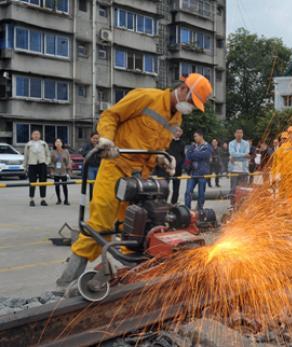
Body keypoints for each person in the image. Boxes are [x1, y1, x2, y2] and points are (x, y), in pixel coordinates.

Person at [56, 73, 212, 290]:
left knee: (136, 227)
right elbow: (111, 116)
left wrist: (161, 159)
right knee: (101, 222)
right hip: (116, 165)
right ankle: (66, 281)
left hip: (140, 177)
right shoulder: (146, 97)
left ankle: (129, 280)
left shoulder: (176, 118)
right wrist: (107, 140)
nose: (191, 108)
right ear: (184, 89)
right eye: (192, 103)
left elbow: (156, 144)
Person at [184, 130, 212, 210]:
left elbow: (206, 155)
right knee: (188, 192)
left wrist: (193, 154)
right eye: (194, 136)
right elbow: (188, 155)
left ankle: (200, 209)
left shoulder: (207, 146)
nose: (194, 138)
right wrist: (196, 155)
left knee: (201, 194)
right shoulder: (192, 146)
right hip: (192, 173)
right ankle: (187, 209)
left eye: (196, 136)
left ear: (201, 136)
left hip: (202, 174)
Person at [23, 130, 50, 207]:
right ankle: (31, 199)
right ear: (32, 135)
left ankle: (43, 199)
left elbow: (48, 154)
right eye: (34, 134)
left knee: (43, 182)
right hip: (32, 165)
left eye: (37, 134)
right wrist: (25, 166)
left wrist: (46, 162)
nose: (36, 135)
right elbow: (26, 156)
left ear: (40, 135)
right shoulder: (28, 145)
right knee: (32, 182)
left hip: (42, 164)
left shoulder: (44, 144)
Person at [228, 129, 250, 202]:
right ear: (235, 134)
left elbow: (247, 154)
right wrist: (243, 155)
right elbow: (232, 153)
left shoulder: (246, 143)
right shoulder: (231, 143)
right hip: (233, 169)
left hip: (243, 169)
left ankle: (242, 205)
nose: (239, 134)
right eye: (237, 133)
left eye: (241, 133)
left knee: (243, 188)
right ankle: (232, 204)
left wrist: (235, 156)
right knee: (233, 188)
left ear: (243, 134)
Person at [50, 138, 72, 205]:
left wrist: (68, 169)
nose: (58, 143)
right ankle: (59, 199)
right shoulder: (53, 152)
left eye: (59, 142)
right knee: (57, 186)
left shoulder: (66, 151)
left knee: (64, 186)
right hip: (56, 171)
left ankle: (66, 200)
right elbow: (51, 162)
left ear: (62, 143)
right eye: (57, 142)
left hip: (64, 171)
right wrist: (52, 170)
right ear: (55, 144)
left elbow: (69, 161)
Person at [80, 132, 101, 200]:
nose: (95, 140)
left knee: (98, 184)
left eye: (97, 138)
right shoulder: (87, 145)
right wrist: (93, 150)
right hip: (90, 167)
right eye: (94, 138)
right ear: (91, 138)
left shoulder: (101, 145)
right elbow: (83, 154)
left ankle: (97, 199)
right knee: (91, 184)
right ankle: (91, 199)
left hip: (99, 167)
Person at [167, 128, 186, 204]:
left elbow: (183, 155)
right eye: (176, 131)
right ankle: (164, 202)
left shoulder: (182, 143)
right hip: (168, 167)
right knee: (165, 186)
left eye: (180, 132)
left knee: (176, 188)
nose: (178, 133)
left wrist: (181, 164)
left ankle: (173, 203)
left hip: (178, 168)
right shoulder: (168, 141)